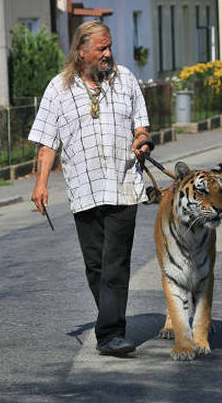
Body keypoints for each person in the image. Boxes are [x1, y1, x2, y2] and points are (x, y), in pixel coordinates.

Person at [28, 21, 151, 356]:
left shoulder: (125, 80)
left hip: (123, 184)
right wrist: (41, 183)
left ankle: (110, 333)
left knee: (115, 261)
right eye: (101, 48)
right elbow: (47, 143)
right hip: (83, 188)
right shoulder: (58, 89)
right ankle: (109, 321)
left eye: (109, 47)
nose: (108, 54)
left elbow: (141, 125)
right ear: (81, 51)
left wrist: (142, 141)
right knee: (95, 263)